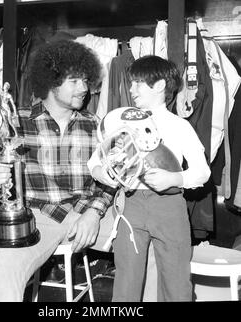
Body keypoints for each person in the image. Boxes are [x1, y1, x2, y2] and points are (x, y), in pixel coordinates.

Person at [0, 39, 116, 302]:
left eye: (86, 81)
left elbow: (110, 179)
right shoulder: (17, 120)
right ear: (52, 83)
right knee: (1, 269)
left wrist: (94, 212)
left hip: (87, 212)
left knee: (152, 235)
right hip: (38, 218)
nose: (85, 89)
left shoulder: (95, 125)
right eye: (75, 81)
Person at [88, 55, 211, 302]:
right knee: (126, 281)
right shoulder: (120, 120)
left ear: (160, 86)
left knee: (176, 281)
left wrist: (173, 178)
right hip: (130, 204)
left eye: (138, 83)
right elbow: (94, 162)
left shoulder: (179, 126)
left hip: (169, 207)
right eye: (131, 83)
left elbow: (202, 172)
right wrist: (106, 174)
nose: (131, 89)